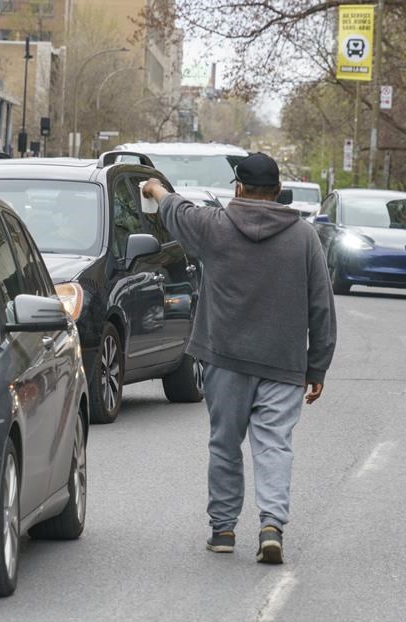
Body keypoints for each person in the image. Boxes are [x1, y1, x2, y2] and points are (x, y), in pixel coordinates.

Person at [142, 153, 337, 564]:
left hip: (224, 360)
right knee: (274, 446)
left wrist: (155, 188)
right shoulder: (304, 238)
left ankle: (223, 530)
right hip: (284, 364)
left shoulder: (214, 227)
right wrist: (317, 364)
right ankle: (271, 525)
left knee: (225, 444)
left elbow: (177, 209)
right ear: (278, 190)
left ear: (239, 188)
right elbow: (321, 305)